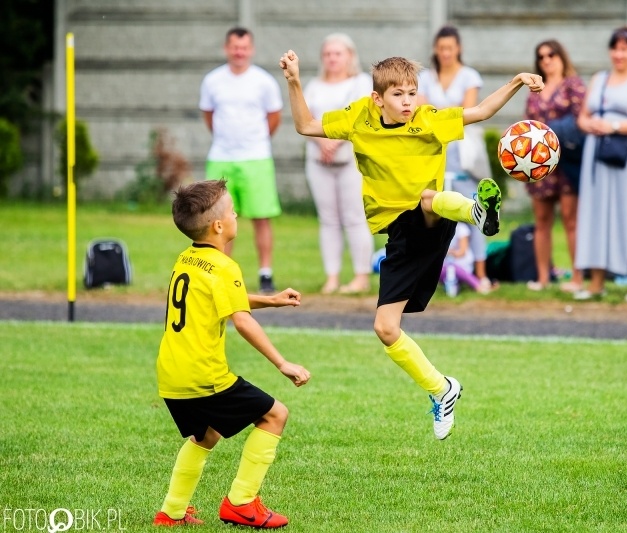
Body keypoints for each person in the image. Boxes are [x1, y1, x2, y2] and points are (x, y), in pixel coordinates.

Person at [279, 50, 543, 439]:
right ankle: (442, 389)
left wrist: (517, 80)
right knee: (385, 327)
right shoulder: (358, 118)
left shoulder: (429, 119)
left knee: (427, 199)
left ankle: (477, 213)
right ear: (378, 98)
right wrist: (294, 80)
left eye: (413, 93)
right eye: (399, 94)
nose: (408, 102)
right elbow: (304, 125)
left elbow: (482, 112)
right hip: (398, 235)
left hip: (433, 217)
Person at [153, 180, 311, 528]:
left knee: (205, 434)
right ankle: (241, 502)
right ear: (219, 225)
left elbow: (223, 298)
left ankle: (171, 512)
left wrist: (270, 299)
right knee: (275, 415)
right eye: (233, 210)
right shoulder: (224, 266)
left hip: (171, 374)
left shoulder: (188, 259)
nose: (237, 214)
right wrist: (283, 363)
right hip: (203, 375)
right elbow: (242, 320)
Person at [573, 27, 627, 303]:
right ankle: (596, 281)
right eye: (616, 48)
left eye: (625, 49)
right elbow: (583, 117)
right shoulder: (600, 79)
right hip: (597, 154)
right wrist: (592, 125)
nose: (619, 54)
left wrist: (615, 125)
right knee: (596, 214)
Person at [200, 27, 284, 294]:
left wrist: (255, 141)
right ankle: (221, 270)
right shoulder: (212, 80)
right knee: (218, 219)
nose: (239, 52)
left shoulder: (264, 81)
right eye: (235, 47)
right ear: (227, 48)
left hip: (256, 158)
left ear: (252, 49)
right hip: (221, 158)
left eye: (244, 47)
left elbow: (274, 117)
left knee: (261, 217)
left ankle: (265, 273)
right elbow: (209, 116)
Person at [418, 25, 493, 293]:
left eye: (450, 48)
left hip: (463, 156)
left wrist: (439, 115)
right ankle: (435, 270)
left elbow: (468, 112)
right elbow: (422, 110)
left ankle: (481, 274)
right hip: (435, 153)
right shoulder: (426, 77)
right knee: (433, 211)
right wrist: (444, 115)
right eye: (441, 48)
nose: (446, 53)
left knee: (474, 208)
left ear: (458, 48)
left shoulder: (469, 76)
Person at [304, 33, 374, 294]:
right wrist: (322, 142)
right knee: (328, 219)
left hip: (350, 159)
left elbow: (361, 115)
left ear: (349, 56)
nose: (332, 58)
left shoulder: (361, 83)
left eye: (338, 53)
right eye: (328, 54)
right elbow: (306, 117)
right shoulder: (313, 86)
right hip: (318, 159)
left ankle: (360, 276)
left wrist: (335, 141)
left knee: (354, 217)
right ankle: (331, 277)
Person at [523, 39, 586, 293]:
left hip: (568, 162)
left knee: (572, 221)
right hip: (540, 165)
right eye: (541, 56)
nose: (546, 60)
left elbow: (582, 119)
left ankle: (578, 278)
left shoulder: (574, 85)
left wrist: (549, 134)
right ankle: (543, 278)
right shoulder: (533, 91)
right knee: (542, 220)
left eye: (551, 54)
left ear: (561, 56)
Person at [439, 222, 494, 295]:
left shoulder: (461, 228)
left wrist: (448, 252)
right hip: (448, 265)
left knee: (454, 268)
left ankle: (478, 285)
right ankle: (454, 286)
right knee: (447, 269)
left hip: (460, 264)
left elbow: (462, 252)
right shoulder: (442, 229)